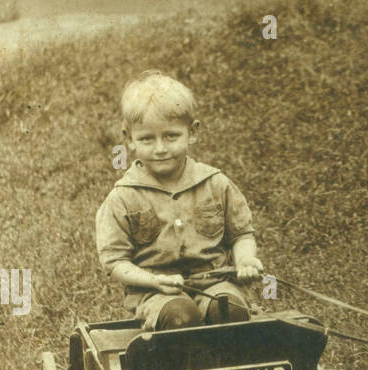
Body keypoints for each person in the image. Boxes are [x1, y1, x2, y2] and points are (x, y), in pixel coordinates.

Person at [95, 70, 264, 329]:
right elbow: (116, 262)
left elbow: (241, 234)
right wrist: (153, 281)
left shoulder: (215, 183)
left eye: (171, 136)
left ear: (192, 132)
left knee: (230, 310)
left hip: (216, 284)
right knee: (179, 316)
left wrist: (245, 261)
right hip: (157, 294)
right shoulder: (123, 197)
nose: (160, 148)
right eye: (147, 139)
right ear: (129, 139)